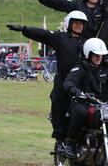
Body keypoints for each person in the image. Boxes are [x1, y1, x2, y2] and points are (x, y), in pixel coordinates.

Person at [7, 10, 88, 141]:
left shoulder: (87, 41)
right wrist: (25, 29)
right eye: (76, 23)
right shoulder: (60, 37)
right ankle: (60, 137)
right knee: (57, 103)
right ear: (70, 23)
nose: (79, 25)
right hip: (63, 79)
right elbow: (43, 34)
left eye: (81, 23)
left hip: (81, 81)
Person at [23, 0, 108, 39]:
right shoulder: (76, 5)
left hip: (94, 45)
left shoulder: (103, 8)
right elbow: (58, 1)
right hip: (75, 42)